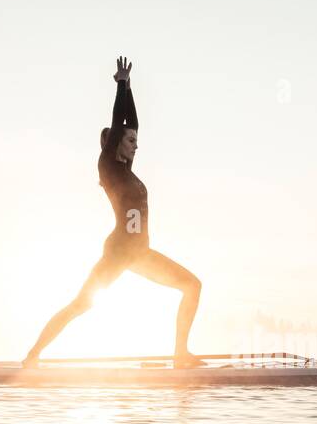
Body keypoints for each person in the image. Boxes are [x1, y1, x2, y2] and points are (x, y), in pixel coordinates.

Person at [23, 56, 202, 367]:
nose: (136, 144)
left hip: (141, 254)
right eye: (130, 141)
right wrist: (120, 85)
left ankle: (180, 355)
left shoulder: (128, 170)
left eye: (136, 141)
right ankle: (32, 356)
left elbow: (131, 123)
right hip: (119, 253)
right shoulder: (109, 168)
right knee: (81, 304)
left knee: (192, 285)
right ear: (115, 144)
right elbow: (121, 120)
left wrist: (130, 87)